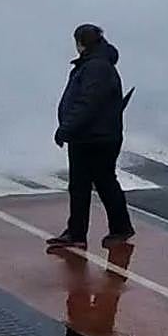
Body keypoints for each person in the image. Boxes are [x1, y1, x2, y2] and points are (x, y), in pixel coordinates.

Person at [47, 24, 135, 251]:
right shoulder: (96, 64)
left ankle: (119, 228)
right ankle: (77, 233)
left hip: (95, 138)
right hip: (90, 136)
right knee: (82, 185)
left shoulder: (95, 67)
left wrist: (66, 128)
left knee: (103, 183)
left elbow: (88, 103)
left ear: (81, 43)